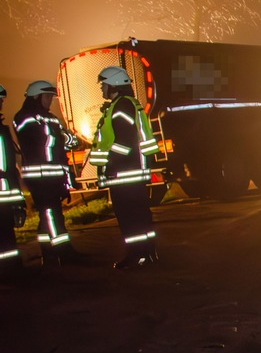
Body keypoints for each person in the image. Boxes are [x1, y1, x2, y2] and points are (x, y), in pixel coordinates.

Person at [89, 66, 161, 269]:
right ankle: (147, 254)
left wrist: (109, 165)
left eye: (104, 84)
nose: (102, 88)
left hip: (124, 174)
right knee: (140, 216)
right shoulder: (127, 104)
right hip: (132, 173)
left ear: (114, 84)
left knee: (130, 218)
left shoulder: (121, 106)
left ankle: (137, 256)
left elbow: (124, 142)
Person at [15, 80, 83, 265]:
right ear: (36, 96)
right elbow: (46, 138)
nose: (50, 101)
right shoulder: (24, 117)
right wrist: (60, 136)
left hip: (54, 176)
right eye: (48, 97)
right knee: (52, 215)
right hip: (39, 178)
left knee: (48, 216)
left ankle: (49, 253)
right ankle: (64, 252)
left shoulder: (50, 118)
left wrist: (62, 136)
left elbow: (70, 141)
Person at [0, 85, 28, 275]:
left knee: (6, 232)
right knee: (4, 234)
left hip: (6, 191)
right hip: (3, 191)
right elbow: (6, 167)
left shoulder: (2, 128)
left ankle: (11, 267)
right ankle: (10, 270)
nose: (1, 104)